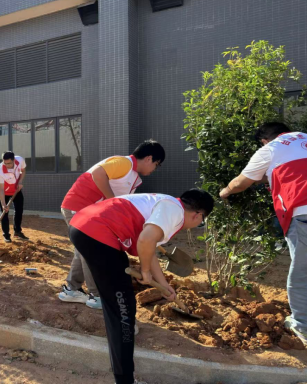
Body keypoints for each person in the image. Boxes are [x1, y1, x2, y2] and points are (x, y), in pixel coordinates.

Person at [69, 189, 215, 384]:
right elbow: (145, 240)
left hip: (86, 226)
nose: (198, 223)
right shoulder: (174, 210)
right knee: (123, 310)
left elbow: (149, 249)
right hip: (97, 233)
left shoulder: (167, 204)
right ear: (198, 215)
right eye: (201, 220)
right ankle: (125, 380)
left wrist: (165, 287)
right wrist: (145, 272)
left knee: (120, 305)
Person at [220, 122, 307, 349]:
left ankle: (306, 329)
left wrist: (225, 192)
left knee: (306, 273)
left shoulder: (272, 148)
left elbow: (240, 183)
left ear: (265, 139)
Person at [59, 140, 166, 310]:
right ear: (148, 158)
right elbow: (98, 174)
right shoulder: (124, 163)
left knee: (82, 251)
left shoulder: (133, 177)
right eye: (156, 164)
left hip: (88, 213)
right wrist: (112, 202)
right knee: (89, 250)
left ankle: (71, 290)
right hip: (79, 206)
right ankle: (95, 295)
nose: (154, 169)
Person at [0, 151, 29, 243]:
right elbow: (1, 189)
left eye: (9, 163)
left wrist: (20, 181)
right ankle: (6, 235)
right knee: (4, 212)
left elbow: (23, 170)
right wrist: (3, 204)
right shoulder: (0, 170)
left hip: (16, 189)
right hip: (5, 191)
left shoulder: (20, 160)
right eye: (5, 163)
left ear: (14, 160)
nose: (7, 165)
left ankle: (17, 231)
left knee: (19, 210)